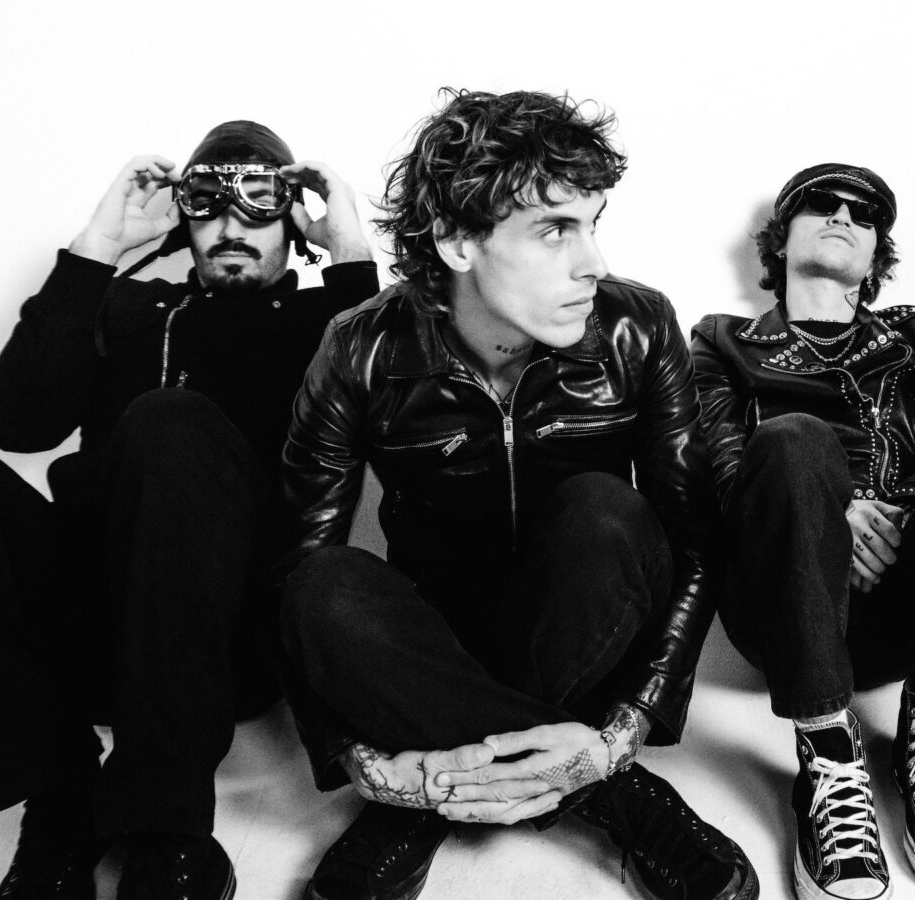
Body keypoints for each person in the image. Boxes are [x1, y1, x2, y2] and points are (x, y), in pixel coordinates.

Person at [276, 88, 757, 900]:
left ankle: (444, 786)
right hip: (432, 646)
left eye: (593, 224)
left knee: (605, 510)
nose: (593, 263)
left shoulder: (639, 327)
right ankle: (610, 794)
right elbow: (295, 563)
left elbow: (695, 542)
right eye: (555, 230)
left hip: (587, 626)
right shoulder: (360, 349)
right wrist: (361, 759)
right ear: (458, 241)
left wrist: (625, 725)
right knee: (321, 586)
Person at [0, 121, 377, 900]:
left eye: (259, 202)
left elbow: (392, 415)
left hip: (227, 633)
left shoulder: (326, 325)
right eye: (209, 204)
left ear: (292, 218)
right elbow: (17, 421)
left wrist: (349, 255)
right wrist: (99, 246)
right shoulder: (128, 307)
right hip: (89, 627)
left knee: (169, 422)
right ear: (183, 217)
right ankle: (60, 796)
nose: (232, 225)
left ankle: (169, 831)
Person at [691, 164, 915, 900]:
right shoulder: (723, 339)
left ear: (875, 255)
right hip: (784, 607)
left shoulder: (910, 332)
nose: (843, 217)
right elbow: (723, 469)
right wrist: (839, 515)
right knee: (792, 438)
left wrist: (900, 512)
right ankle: (829, 758)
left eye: (863, 215)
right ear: (780, 239)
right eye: (821, 204)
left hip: (909, 601)